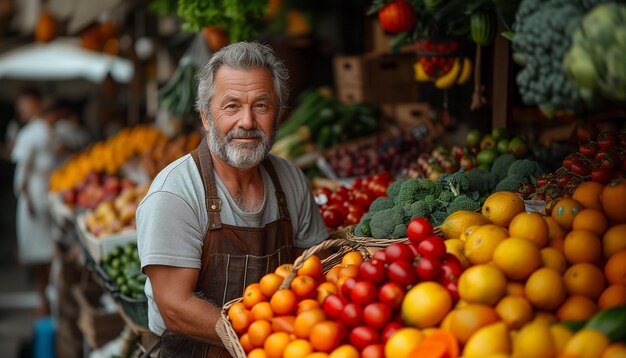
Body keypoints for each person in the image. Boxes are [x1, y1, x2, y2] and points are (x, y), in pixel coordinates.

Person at [137, 42, 329, 357]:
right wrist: (257, 340)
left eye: (262, 106)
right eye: (231, 106)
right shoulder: (175, 194)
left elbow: (313, 269)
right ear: (206, 117)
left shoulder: (291, 180)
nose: (248, 122)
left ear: (278, 116)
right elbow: (175, 306)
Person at [11, 93, 61, 317]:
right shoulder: (33, 133)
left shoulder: (40, 131)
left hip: (39, 195)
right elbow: (22, 170)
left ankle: (47, 301)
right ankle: (44, 302)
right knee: (42, 255)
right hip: (33, 197)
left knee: (46, 254)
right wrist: (28, 199)